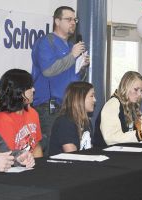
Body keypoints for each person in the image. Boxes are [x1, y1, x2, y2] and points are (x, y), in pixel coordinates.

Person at [31, 6, 90, 155]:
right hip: (49, 108)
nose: (73, 23)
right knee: (54, 153)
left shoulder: (71, 46)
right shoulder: (46, 42)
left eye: (74, 19)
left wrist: (82, 66)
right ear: (57, 21)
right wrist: (72, 56)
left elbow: (75, 78)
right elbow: (48, 71)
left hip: (68, 107)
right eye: (68, 19)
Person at [94, 71, 142, 147]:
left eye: (141, 90)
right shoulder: (112, 104)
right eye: (136, 89)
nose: (140, 94)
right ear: (125, 87)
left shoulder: (133, 105)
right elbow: (111, 138)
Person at [0, 69, 43, 158]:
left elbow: (36, 146)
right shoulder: (2, 119)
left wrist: (39, 168)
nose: (33, 90)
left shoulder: (32, 113)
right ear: (18, 91)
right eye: (29, 87)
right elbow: (7, 156)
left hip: (30, 166)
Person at [49, 82, 96, 156]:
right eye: (91, 96)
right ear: (80, 98)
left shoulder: (86, 122)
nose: (94, 100)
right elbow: (72, 155)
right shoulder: (64, 122)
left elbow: (90, 149)